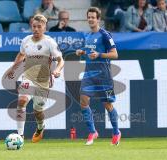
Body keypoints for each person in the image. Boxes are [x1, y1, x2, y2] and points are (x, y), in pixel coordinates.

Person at [6, 14, 64, 142]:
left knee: (38, 111)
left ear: (44, 27)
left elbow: (61, 60)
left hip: (43, 81)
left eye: (39, 27)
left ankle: (40, 127)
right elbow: (21, 55)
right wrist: (13, 69)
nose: (36, 29)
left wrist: (57, 70)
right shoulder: (26, 40)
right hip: (28, 77)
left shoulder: (49, 43)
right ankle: (20, 136)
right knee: (21, 101)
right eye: (34, 26)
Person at [75, 7, 120, 146]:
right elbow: (90, 51)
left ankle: (116, 132)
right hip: (89, 74)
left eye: (93, 17)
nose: (90, 19)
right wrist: (82, 51)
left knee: (107, 104)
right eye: (89, 17)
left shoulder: (105, 34)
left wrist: (99, 55)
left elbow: (115, 54)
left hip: (103, 75)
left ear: (98, 19)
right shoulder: (88, 36)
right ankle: (93, 132)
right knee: (83, 100)